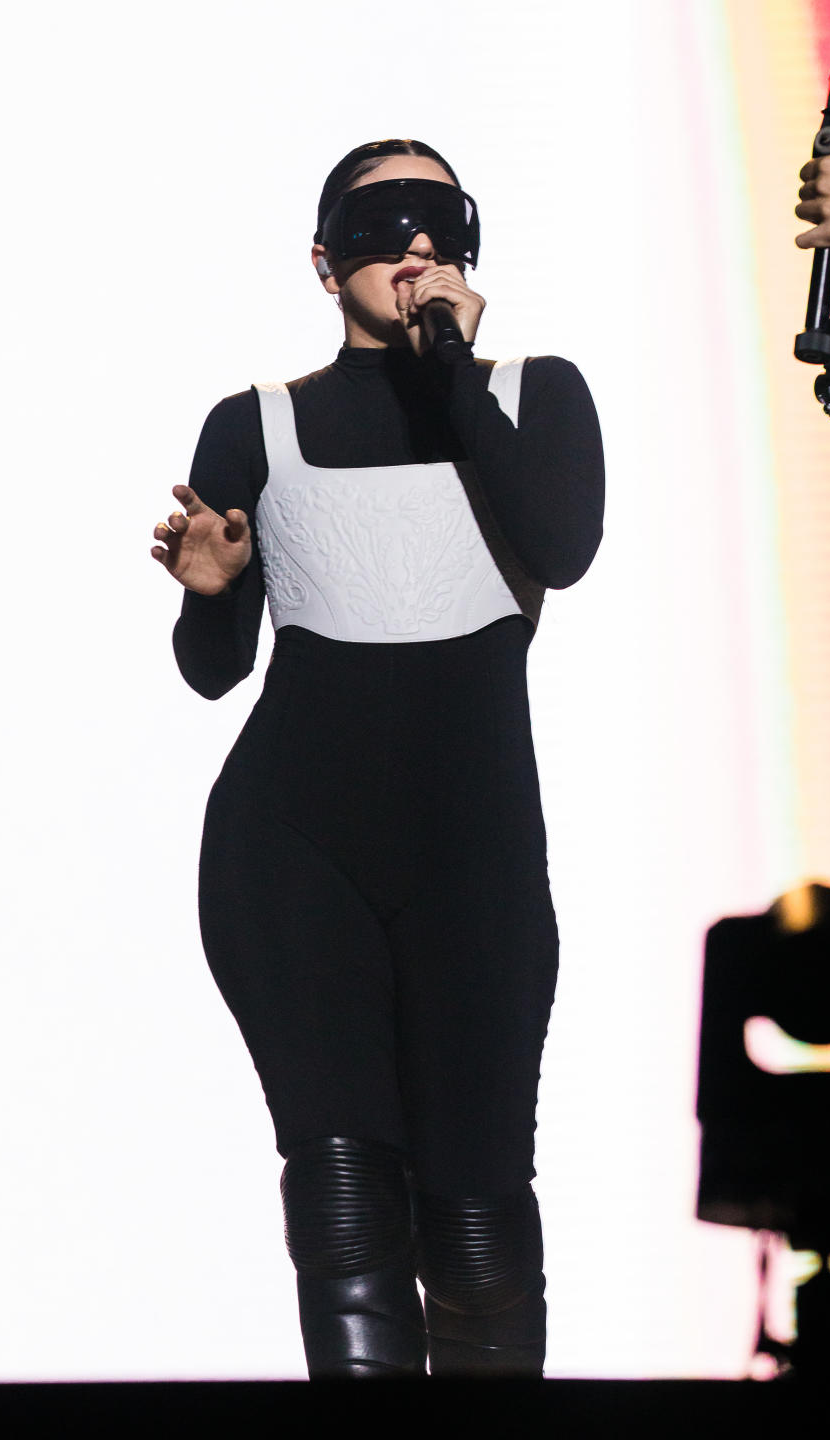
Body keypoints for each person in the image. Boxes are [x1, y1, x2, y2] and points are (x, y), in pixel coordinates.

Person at [151, 138, 605, 1378]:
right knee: (345, 1211)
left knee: (478, 1216)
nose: (414, 244)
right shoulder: (258, 423)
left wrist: (449, 361)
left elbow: (559, 548)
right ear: (321, 259)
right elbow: (211, 668)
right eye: (379, 220)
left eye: (440, 219)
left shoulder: (535, 394)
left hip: (477, 858)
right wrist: (208, 593)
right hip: (293, 853)